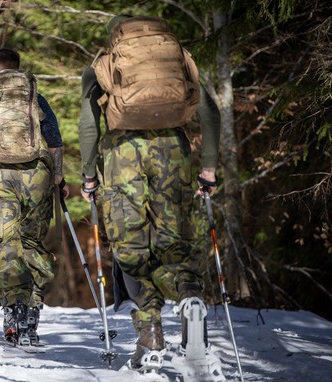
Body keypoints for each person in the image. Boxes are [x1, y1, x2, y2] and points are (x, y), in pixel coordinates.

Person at [78, 16, 221, 372]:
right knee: (176, 242)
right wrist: (209, 168)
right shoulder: (177, 59)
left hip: (121, 155)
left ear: (116, 39)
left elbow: (88, 124)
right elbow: (209, 112)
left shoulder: (103, 66)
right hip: (173, 148)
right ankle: (189, 296)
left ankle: (150, 335)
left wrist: (88, 176)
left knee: (131, 249)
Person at [0, 48, 70, 346]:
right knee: (32, 243)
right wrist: (58, 177)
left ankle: (13, 312)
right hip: (38, 178)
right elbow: (55, 140)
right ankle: (32, 314)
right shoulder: (35, 98)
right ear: (18, 71)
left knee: (7, 244)